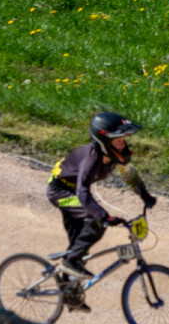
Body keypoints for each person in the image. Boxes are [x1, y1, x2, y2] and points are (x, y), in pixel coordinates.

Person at [47, 111, 158, 284]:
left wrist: (145, 195)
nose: (123, 144)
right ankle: (70, 262)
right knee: (96, 222)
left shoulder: (114, 157)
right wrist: (104, 216)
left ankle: (69, 292)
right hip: (61, 191)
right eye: (118, 140)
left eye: (124, 139)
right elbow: (83, 192)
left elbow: (130, 175)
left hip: (75, 192)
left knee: (80, 247)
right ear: (104, 141)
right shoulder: (91, 159)